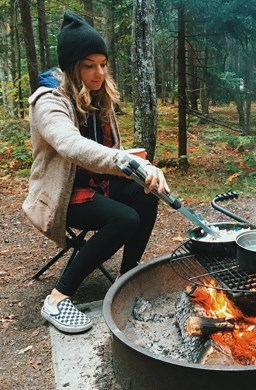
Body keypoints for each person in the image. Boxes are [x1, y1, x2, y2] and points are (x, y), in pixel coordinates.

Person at [22, 11, 169, 334]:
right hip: (62, 196)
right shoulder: (49, 102)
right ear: (72, 67)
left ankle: (126, 280)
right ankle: (57, 299)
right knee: (124, 218)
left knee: (146, 195)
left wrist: (143, 167)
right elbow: (71, 146)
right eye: (89, 65)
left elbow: (107, 152)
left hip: (96, 185)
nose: (99, 72)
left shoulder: (98, 99)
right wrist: (125, 161)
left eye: (103, 64)